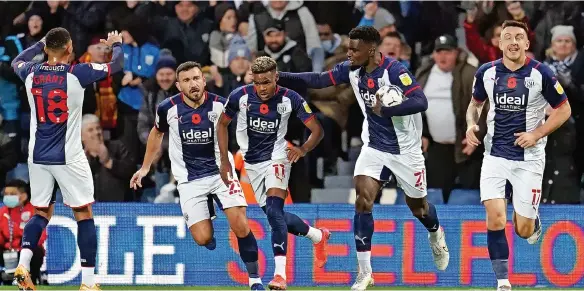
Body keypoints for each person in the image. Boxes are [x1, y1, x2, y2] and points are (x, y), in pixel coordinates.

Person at [276, 26, 450, 291]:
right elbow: (320, 79)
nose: (349, 53)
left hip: (406, 151)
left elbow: (420, 101)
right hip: (375, 147)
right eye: (348, 47)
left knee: (420, 209)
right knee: (362, 199)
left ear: (371, 50)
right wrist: (280, 76)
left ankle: (436, 232)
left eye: (354, 49)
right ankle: (365, 273)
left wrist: (390, 108)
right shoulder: (351, 69)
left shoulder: (395, 71)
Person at [129, 61, 265, 290]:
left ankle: (255, 280)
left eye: (196, 78)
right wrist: (145, 167)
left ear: (204, 80)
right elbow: (155, 134)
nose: (192, 84)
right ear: (178, 85)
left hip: (221, 173)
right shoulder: (167, 108)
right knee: (202, 238)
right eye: (186, 80)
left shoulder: (222, 105)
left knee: (240, 224)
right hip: (190, 180)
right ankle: (207, 217)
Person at [11, 28, 124, 291]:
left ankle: (23, 265)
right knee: (83, 214)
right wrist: (117, 44)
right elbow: (117, 64)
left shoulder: (29, 72)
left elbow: (17, 60)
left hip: (37, 155)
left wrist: (40, 44)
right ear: (70, 47)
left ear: (47, 48)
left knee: (41, 212)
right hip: (68, 156)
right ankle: (87, 282)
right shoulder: (77, 73)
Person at [466, 20, 572, 291]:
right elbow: (475, 105)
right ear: (499, 43)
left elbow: (564, 110)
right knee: (496, 217)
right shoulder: (486, 72)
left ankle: (531, 220)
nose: (513, 41)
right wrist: (470, 125)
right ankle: (503, 281)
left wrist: (536, 134)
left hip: (529, 159)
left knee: (522, 231)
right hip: (495, 155)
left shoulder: (542, 74)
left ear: (527, 43)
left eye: (519, 37)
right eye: (507, 37)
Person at [217, 56, 329, 290]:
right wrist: (226, 161)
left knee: (275, 211)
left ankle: (280, 276)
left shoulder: (291, 99)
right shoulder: (240, 96)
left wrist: (302, 149)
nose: (262, 88)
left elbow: (317, 130)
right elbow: (222, 124)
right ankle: (318, 236)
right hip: (252, 163)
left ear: (276, 78)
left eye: (266, 82)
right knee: (273, 215)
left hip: (278, 157)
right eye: (258, 83)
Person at [0, 180, 46, 286]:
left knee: (37, 250)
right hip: (7, 252)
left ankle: (31, 280)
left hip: (26, 251)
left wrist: (20, 239)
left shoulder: (35, 212)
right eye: (6, 194)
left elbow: (40, 236)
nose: (7, 197)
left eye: (12, 194)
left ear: (24, 196)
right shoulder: (2, 212)